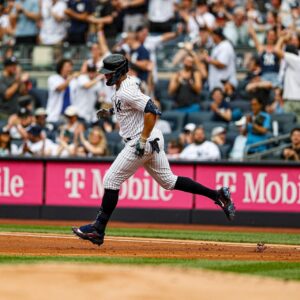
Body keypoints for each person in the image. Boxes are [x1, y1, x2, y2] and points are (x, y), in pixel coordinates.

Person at [72, 54, 235, 246]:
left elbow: (151, 109)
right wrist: (109, 112)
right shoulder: (125, 85)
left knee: (111, 179)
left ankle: (98, 229)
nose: (106, 77)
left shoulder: (126, 90)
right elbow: (130, 106)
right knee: (169, 181)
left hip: (142, 140)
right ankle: (217, 195)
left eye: (109, 73)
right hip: (151, 139)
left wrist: (142, 139)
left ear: (120, 72)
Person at [274, 33, 300, 122]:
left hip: (292, 100)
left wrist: (281, 38)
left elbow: (276, 50)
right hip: (296, 99)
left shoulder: (295, 59)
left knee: (289, 128)